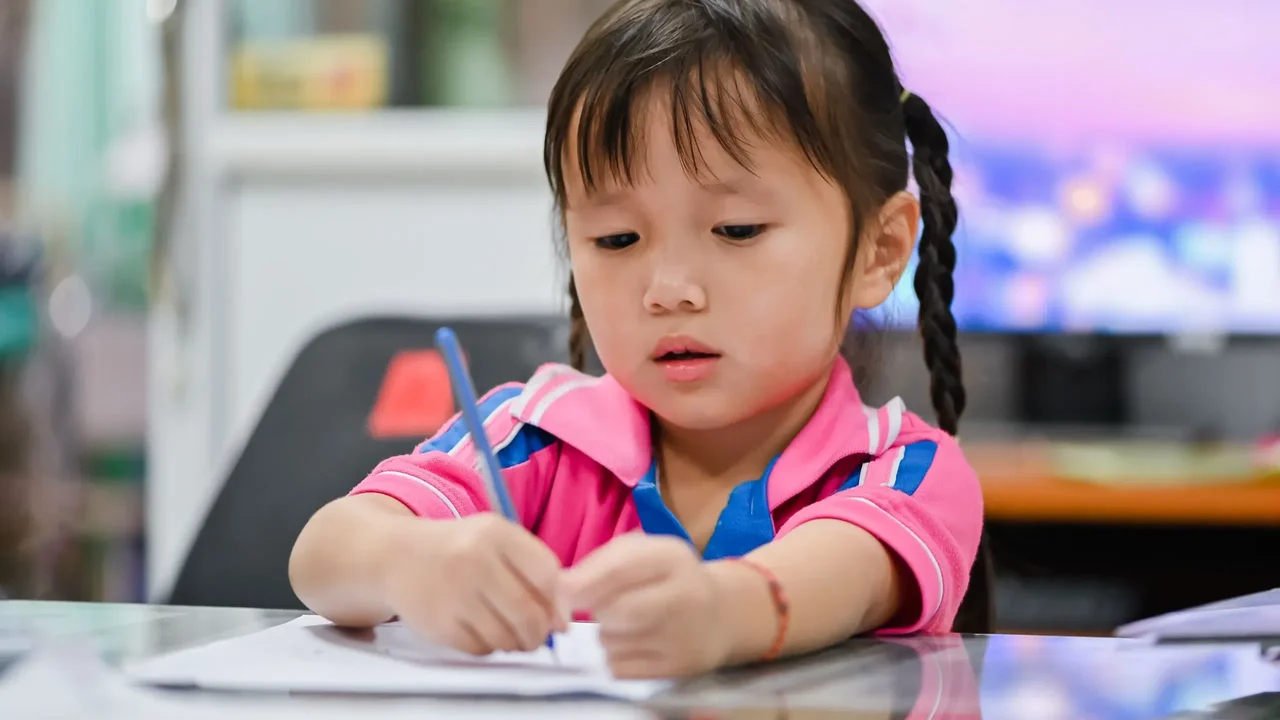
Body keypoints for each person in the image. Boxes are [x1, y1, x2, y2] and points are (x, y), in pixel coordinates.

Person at [290, 0, 987, 679]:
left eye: (736, 230)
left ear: (878, 251)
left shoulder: (907, 472)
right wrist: (413, 562)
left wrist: (722, 610)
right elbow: (322, 554)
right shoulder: (531, 436)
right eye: (617, 238)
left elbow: (843, 572)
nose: (668, 289)